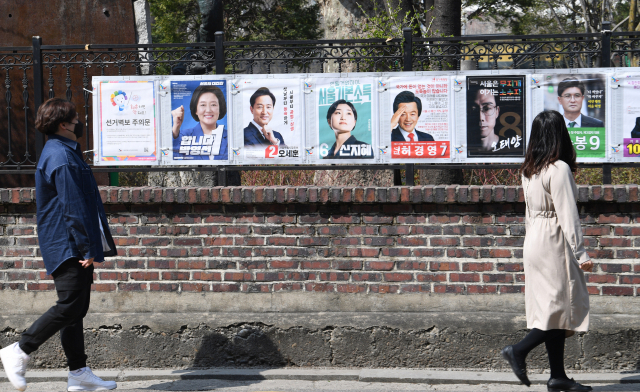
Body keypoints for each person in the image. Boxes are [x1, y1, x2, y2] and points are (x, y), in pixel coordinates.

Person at [0, 98, 118, 391]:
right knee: (70, 306)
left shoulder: (63, 153)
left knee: (75, 310)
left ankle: (78, 373)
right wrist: (88, 248)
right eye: (76, 119)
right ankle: (20, 350)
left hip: (68, 242)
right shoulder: (61, 157)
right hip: (68, 245)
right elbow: (73, 207)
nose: (80, 123)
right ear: (64, 124)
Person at [502, 110, 594, 392]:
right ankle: (518, 350)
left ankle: (558, 377)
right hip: (554, 241)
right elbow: (568, 215)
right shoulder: (559, 169)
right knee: (558, 306)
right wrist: (581, 253)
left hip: (534, 241)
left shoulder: (529, 170)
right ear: (560, 134)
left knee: (552, 308)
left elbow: (531, 213)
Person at [171, 85, 229, 161]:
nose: (208, 110)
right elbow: (171, 157)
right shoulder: (184, 135)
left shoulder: (230, 137)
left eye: (213, 105)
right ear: (196, 110)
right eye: (203, 105)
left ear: (220, 108)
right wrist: (176, 127)